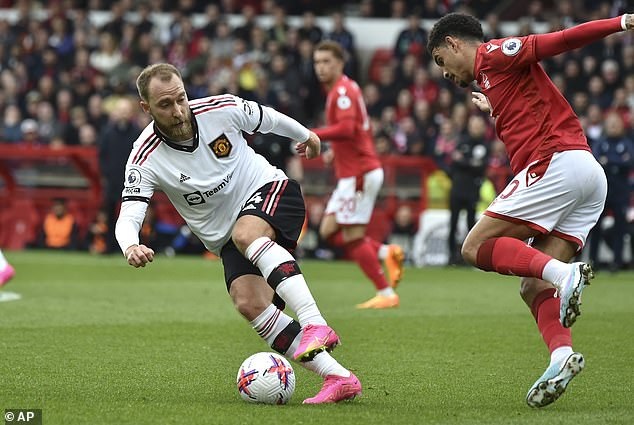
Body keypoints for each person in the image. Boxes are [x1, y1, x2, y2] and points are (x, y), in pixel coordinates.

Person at [114, 63, 361, 404]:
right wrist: (130, 244)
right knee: (249, 302)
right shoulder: (145, 157)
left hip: (270, 190)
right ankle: (337, 376)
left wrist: (307, 136)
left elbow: (269, 118)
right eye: (165, 105)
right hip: (227, 236)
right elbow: (129, 213)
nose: (178, 110)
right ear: (147, 108)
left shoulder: (221, 109)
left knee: (247, 234)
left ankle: (315, 323)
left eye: (181, 99)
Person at [427, 12, 634, 408]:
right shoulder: (492, 79)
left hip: (556, 163)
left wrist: (620, 22)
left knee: (473, 247)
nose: (444, 73)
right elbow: (522, 100)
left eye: (441, 60)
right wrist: (495, 105)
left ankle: (565, 274)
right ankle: (560, 357)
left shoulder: (493, 55)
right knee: (532, 285)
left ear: (454, 43)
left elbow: (562, 40)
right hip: (588, 177)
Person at [310, 40, 404, 309]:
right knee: (328, 229)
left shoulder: (341, 91)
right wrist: (334, 153)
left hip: (360, 174)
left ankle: (386, 293)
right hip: (353, 172)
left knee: (352, 236)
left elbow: (348, 128)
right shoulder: (343, 89)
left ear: (340, 63)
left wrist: (313, 135)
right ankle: (387, 252)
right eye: (317, 62)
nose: (321, 67)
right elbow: (354, 132)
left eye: (327, 61)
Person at [588, 112, 634, 271]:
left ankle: (617, 261)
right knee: (596, 227)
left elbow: (629, 161)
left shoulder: (627, 143)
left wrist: (609, 162)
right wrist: (617, 162)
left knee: (620, 227)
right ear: (606, 126)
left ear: (622, 125)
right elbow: (596, 160)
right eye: (611, 123)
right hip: (602, 191)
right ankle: (593, 261)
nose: (613, 126)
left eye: (616, 123)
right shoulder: (601, 143)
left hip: (620, 192)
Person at [447, 115, 490, 265]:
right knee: (452, 223)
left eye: (478, 125)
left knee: (471, 225)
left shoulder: (484, 145)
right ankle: (451, 257)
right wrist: (469, 163)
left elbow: (480, 167)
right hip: (457, 189)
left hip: (472, 190)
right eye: (473, 125)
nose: (475, 128)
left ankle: (471, 257)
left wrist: (463, 161)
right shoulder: (462, 141)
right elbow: (454, 162)